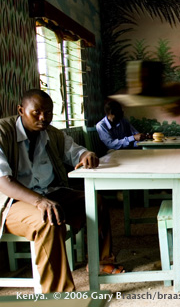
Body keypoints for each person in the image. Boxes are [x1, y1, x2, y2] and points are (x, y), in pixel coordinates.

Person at [0, 89, 123, 293]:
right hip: (11, 202)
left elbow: (76, 152)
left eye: (48, 113)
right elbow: (3, 182)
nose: (43, 118)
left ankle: (102, 262)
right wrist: (39, 201)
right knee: (47, 219)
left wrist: (86, 154)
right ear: (21, 110)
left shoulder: (52, 134)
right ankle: (59, 296)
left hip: (49, 193)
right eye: (37, 112)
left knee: (96, 201)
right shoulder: (3, 133)